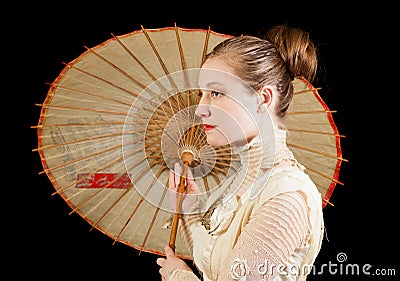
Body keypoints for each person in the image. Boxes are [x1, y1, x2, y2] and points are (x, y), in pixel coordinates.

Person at [156, 25, 324, 281]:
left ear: (263, 99)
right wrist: (190, 210)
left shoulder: (286, 197)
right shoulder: (242, 181)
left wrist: (178, 276)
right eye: (202, 94)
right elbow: (218, 267)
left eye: (216, 93)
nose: (200, 109)